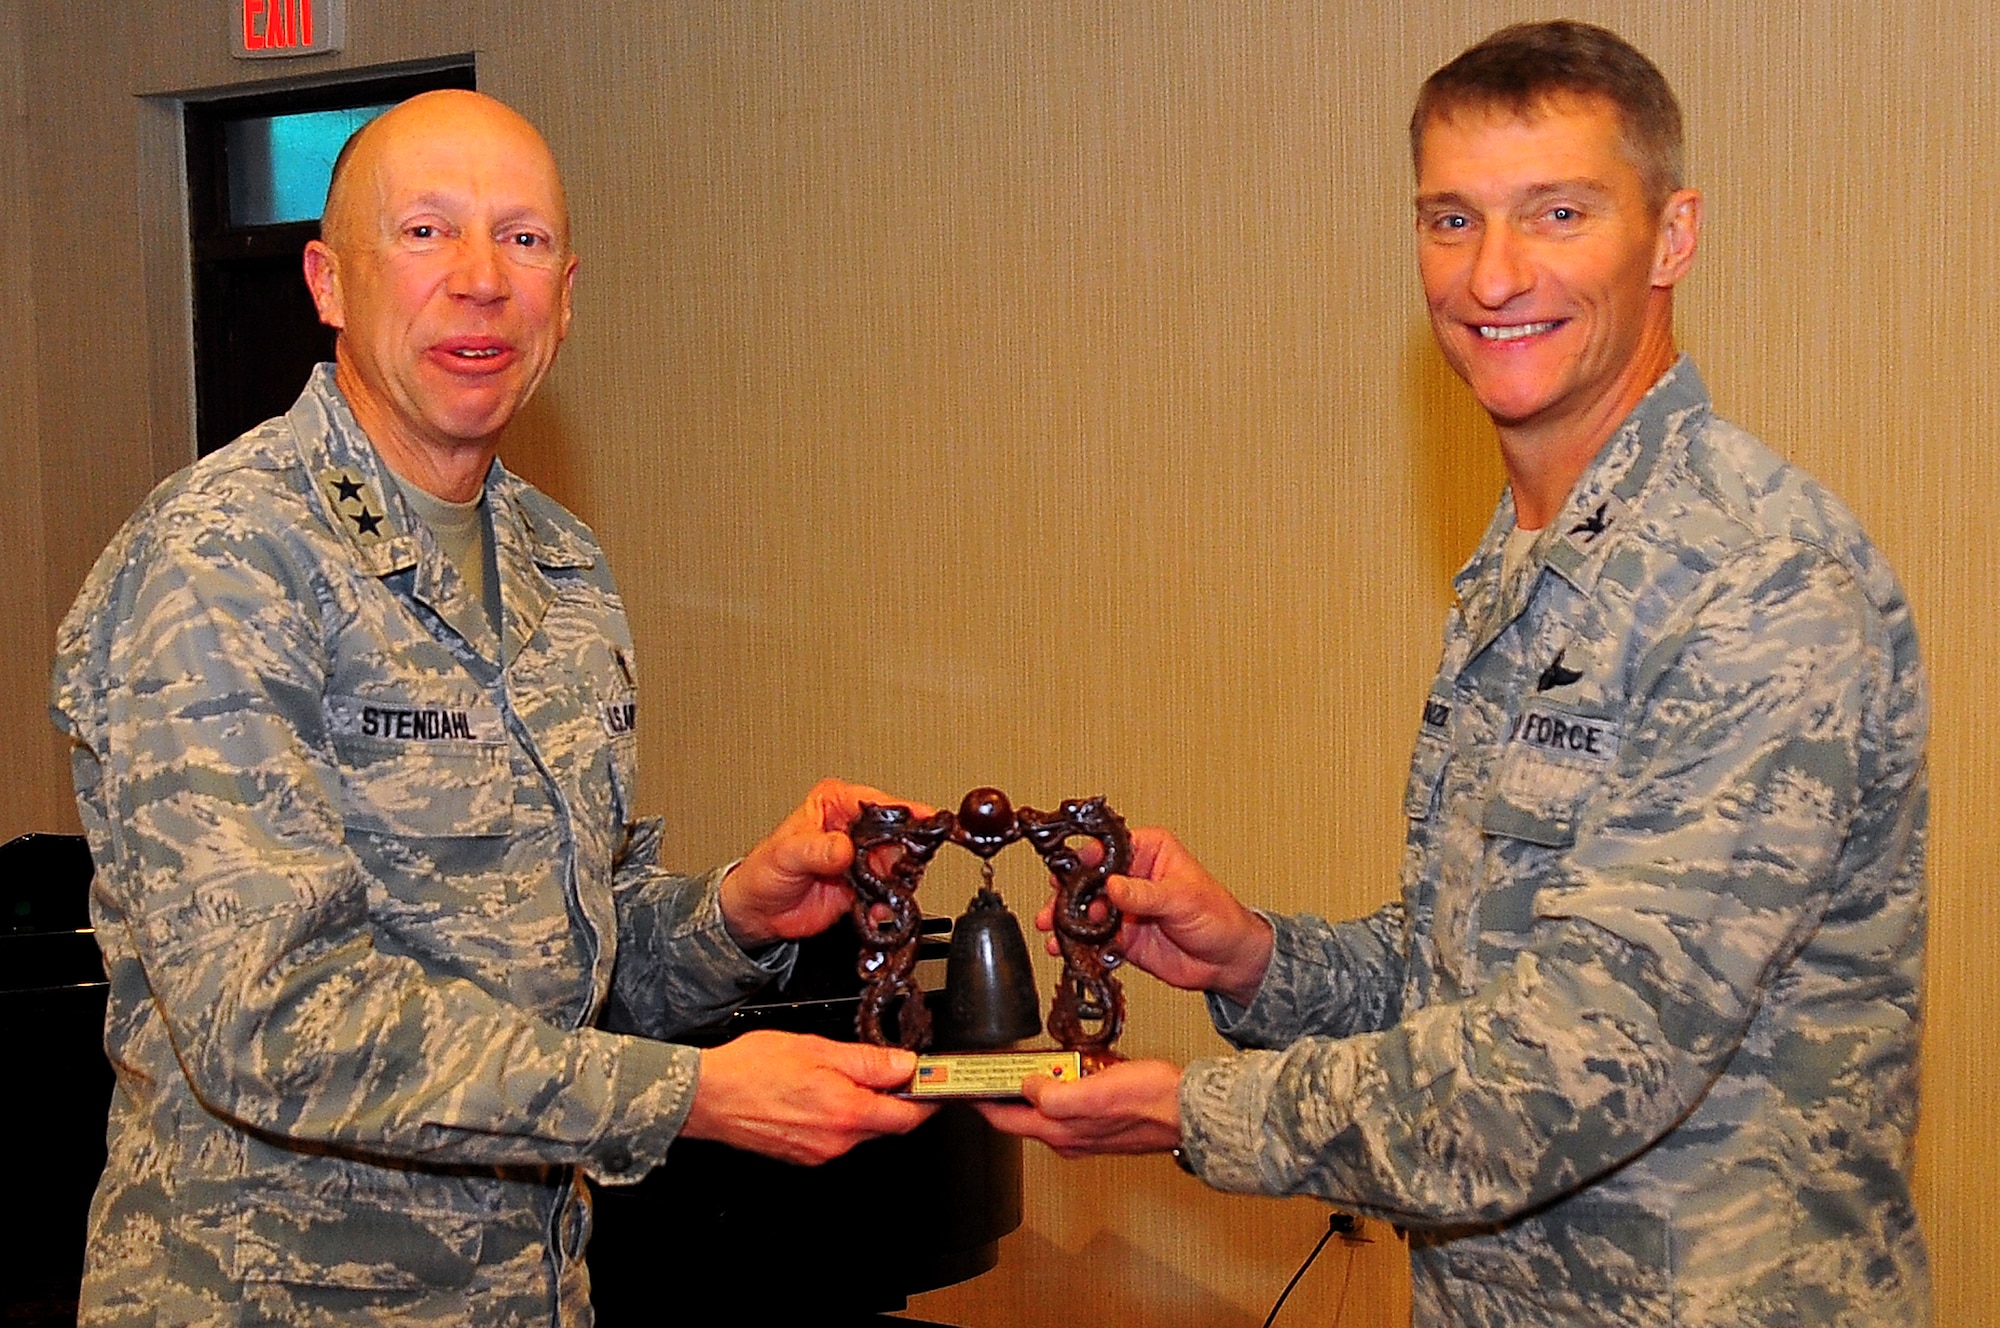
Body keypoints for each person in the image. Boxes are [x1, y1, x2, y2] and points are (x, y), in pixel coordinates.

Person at [982, 21, 1930, 1327]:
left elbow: (1574, 1061)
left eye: (1557, 213)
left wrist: (1194, 1110)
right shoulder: (1524, 558)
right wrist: (1254, 961)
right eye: (1450, 220)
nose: (1493, 274)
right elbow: (1478, 977)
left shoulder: (1754, 583)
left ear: (1671, 236)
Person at [51, 89, 930, 1326]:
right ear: (328, 282)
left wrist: (735, 911)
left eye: (522, 240)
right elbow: (269, 1020)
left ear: (564, 298)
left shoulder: (558, 565)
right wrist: (685, 1097)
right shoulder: (224, 558)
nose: (479, 280)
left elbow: (552, 961)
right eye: (425, 232)